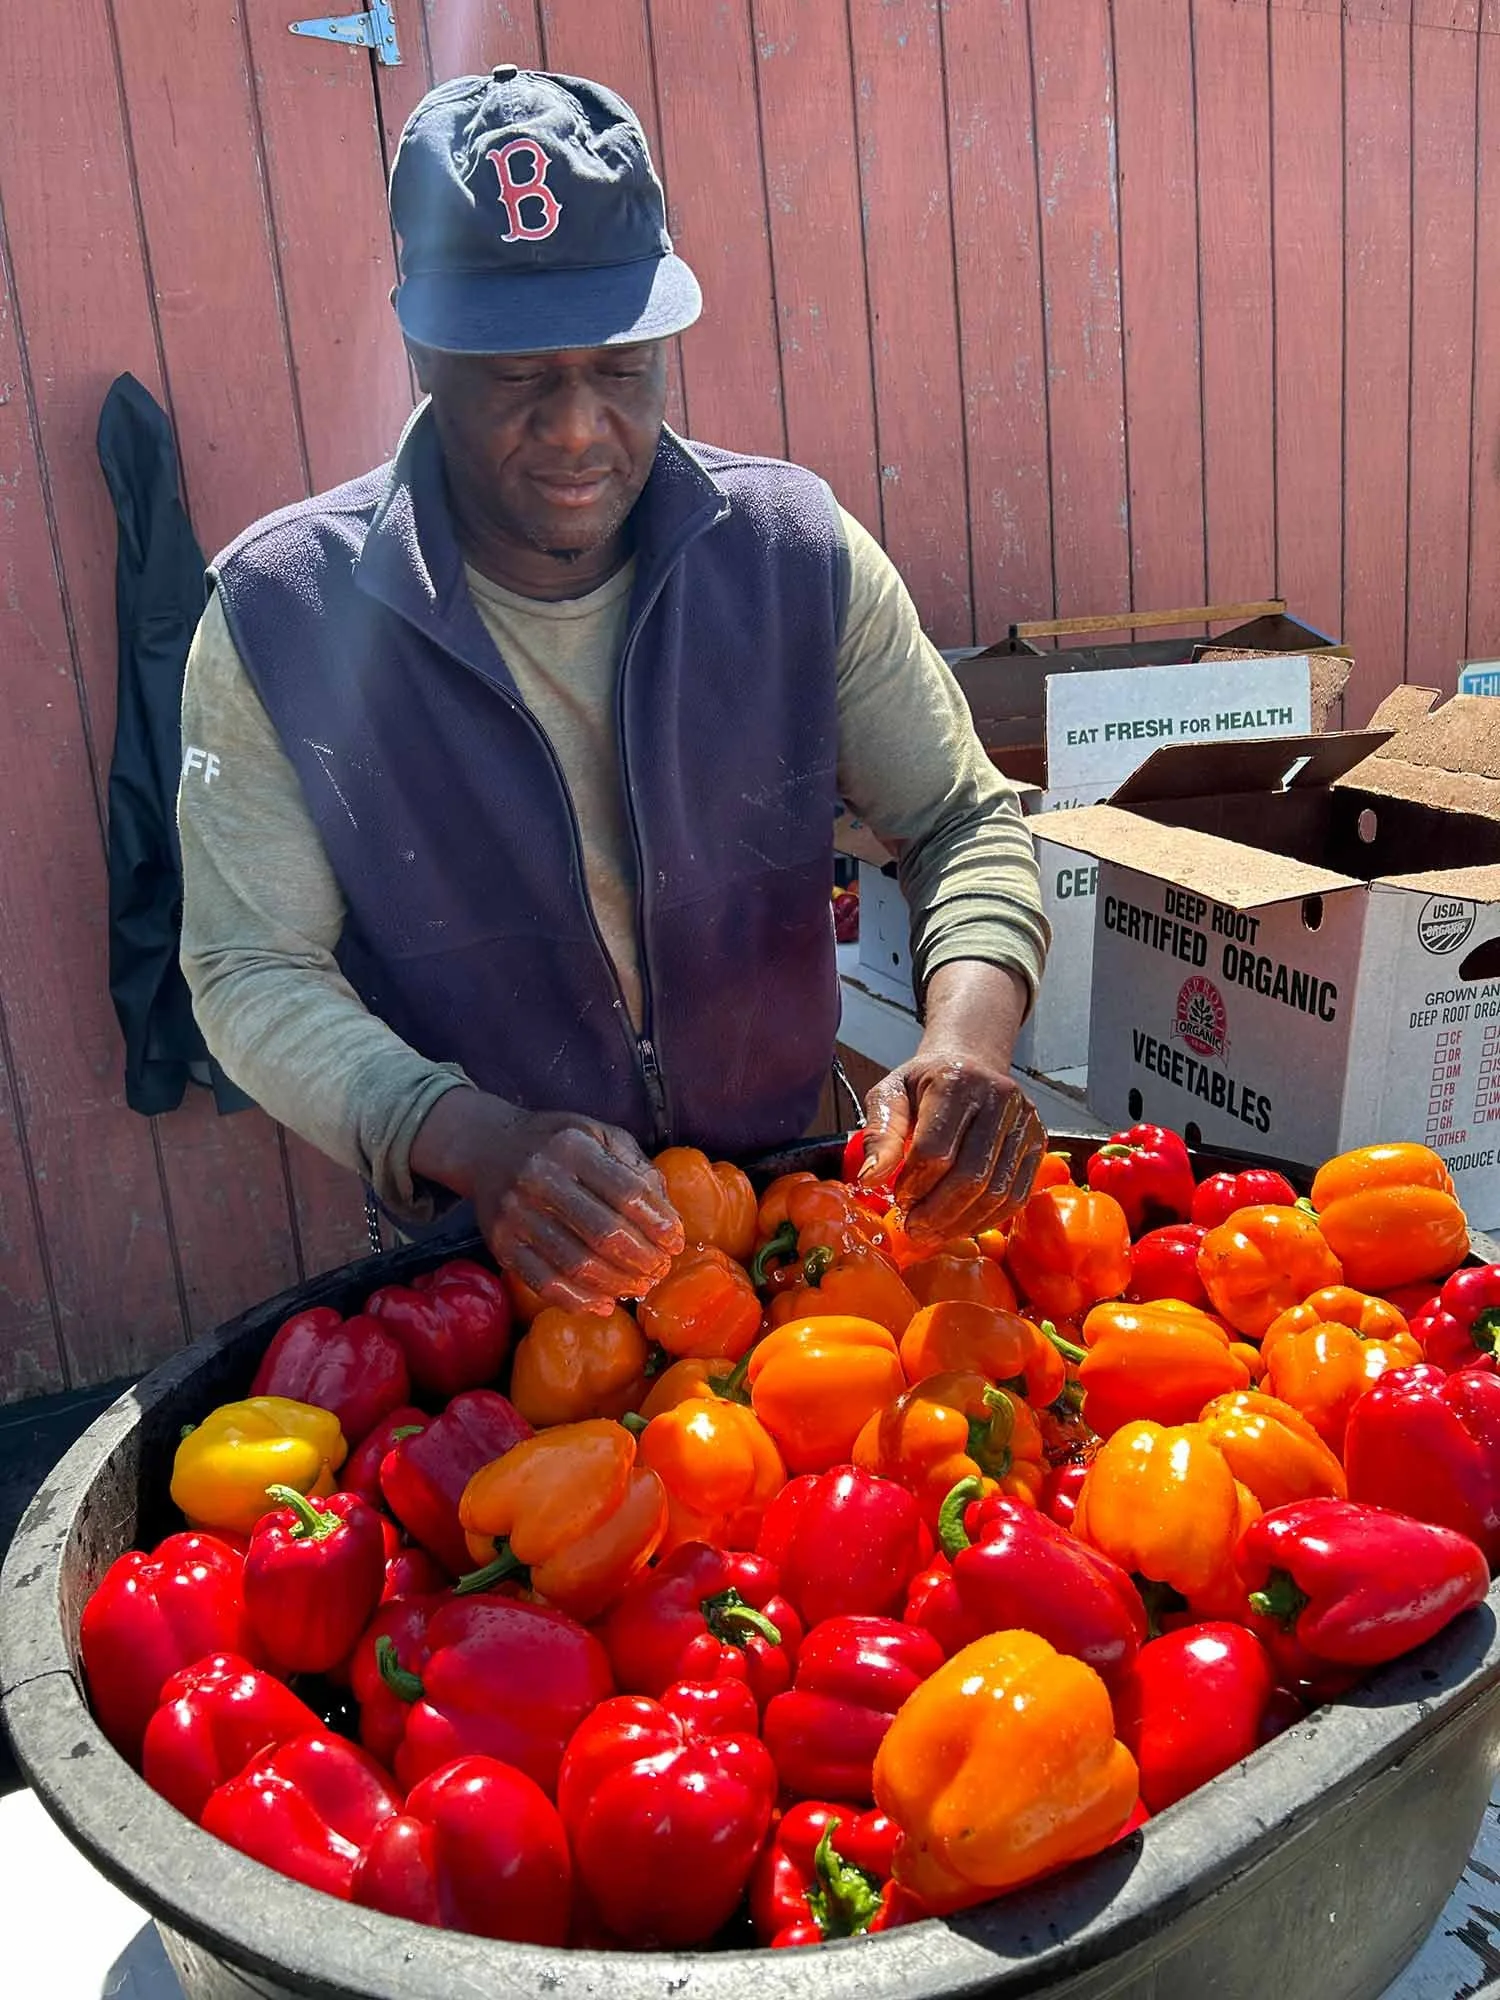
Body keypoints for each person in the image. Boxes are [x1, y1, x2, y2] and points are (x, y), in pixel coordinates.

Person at [177, 65, 1049, 1314]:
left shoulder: (792, 554)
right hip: (487, 1262)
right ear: (424, 351)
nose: (581, 427)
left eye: (622, 364)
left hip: (787, 1218)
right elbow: (250, 965)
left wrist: (966, 1035)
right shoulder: (283, 616)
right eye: (519, 376)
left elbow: (962, 818)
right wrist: (472, 1137)